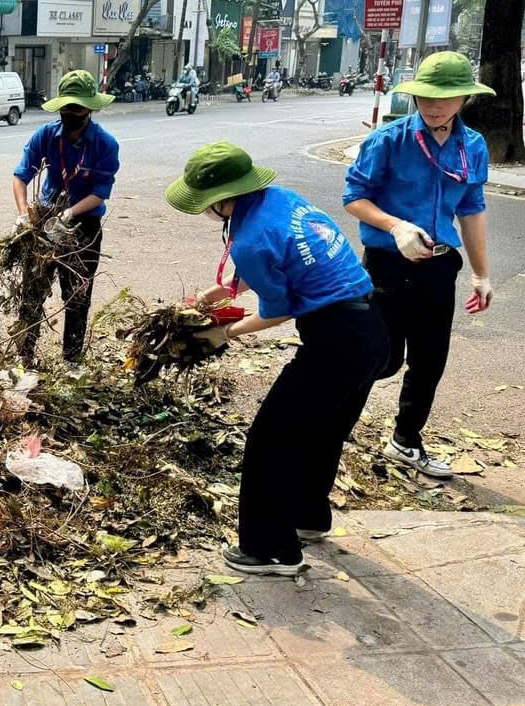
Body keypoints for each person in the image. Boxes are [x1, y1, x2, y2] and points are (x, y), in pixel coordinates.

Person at [166, 143, 387, 576]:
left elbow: (278, 308)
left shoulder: (250, 237)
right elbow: (280, 261)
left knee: (272, 437)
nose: (206, 211)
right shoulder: (280, 200)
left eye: (207, 204)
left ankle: (270, 550)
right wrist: (220, 293)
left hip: (336, 342)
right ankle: (308, 518)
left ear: (223, 199)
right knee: (322, 431)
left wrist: (223, 332)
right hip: (370, 329)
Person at [343, 50, 495, 479]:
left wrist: (482, 274)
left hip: (438, 267)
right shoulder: (388, 141)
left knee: (430, 360)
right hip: (388, 264)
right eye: (426, 96)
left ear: (465, 98)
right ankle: (333, 435)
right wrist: (395, 227)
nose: (433, 105)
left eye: (445, 97)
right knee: (378, 356)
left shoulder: (472, 147)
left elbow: (472, 210)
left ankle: (406, 440)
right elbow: (353, 197)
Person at [12, 69, 120, 363]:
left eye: (79, 107)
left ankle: (71, 360)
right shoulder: (46, 136)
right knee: (32, 292)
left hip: (84, 225)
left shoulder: (105, 144)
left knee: (77, 295)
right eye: (67, 107)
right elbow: (21, 176)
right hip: (44, 221)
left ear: (90, 109)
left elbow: (100, 192)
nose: (72, 113)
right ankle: (25, 355)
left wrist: (70, 214)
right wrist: (24, 214)